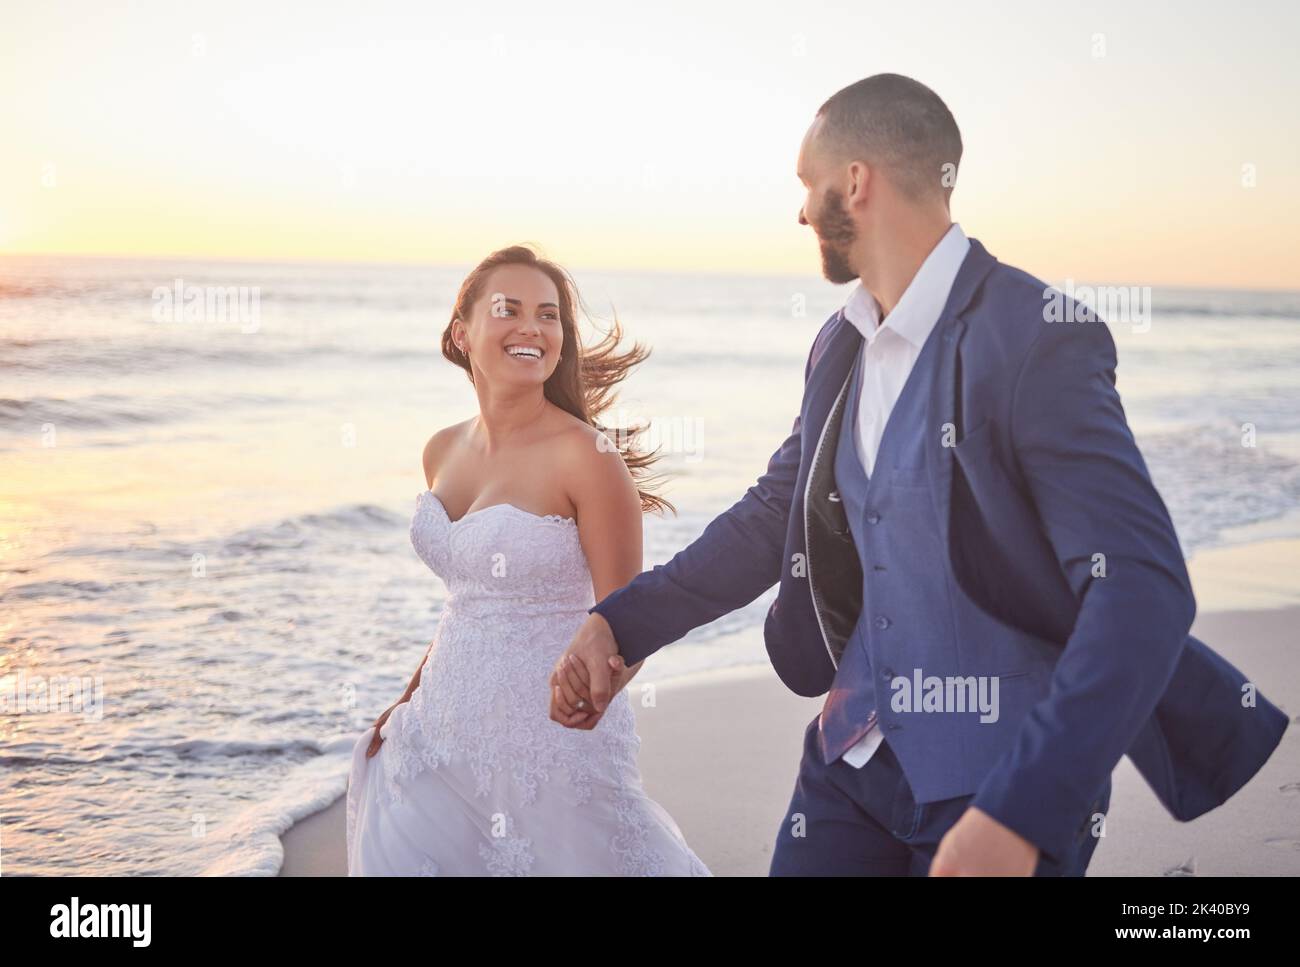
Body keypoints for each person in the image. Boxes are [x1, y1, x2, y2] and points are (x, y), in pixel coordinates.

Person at [550, 73, 1289, 876]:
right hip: (849, 766)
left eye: (808, 183)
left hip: (999, 780)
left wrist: (1023, 810)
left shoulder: (1036, 336)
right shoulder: (840, 343)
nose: (802, 211)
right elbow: (774, 517)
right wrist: (620, 626)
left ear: (855, 182)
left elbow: (1141, 585)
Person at [346, 244, 711, 876]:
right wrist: (407, 697)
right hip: (438, 730)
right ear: (463, 333)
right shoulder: (441, 450)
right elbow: (466, 602)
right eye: (508, 309)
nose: (532, 328)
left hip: (552, 742)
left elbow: (631, 619)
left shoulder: (588, 458)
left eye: (548, 315)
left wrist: (590, 698)